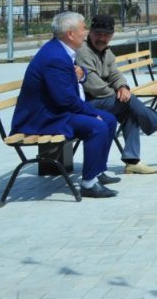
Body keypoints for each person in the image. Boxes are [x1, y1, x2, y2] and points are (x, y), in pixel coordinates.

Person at [11, 12, 120, 198]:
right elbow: (66, 100)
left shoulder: (60, 50)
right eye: (83, 28)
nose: (86, 33)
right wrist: (92, 113)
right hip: (42, 119)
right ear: (70, 34)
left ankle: (98, 171)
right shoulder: (55, 57)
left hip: (55, 111)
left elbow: (72, 77)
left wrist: (82, 73)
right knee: (98, 126)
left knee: (109, 119)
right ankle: (88, 184)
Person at [76, 14, 157, 175]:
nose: (102, 38)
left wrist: (123, 87)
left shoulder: (106, 52)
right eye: (98, 34)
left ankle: (132, 161)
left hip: (103, 100)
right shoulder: (83, 51)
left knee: (130, 112)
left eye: (106, 35)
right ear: (90, 32)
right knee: (128, 102)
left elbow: (115, 74)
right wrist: (118, 94)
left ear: (112, 35)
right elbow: (94, 86)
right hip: (87, 104)